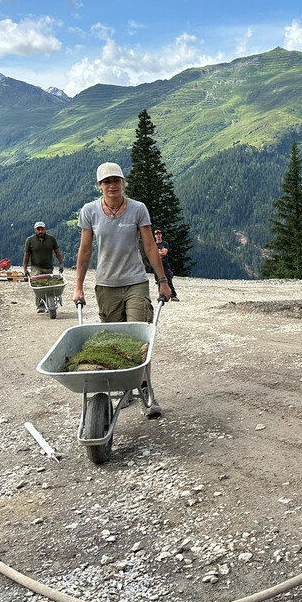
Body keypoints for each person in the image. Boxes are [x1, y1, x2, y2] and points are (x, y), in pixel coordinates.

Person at [73, 162, 172, 418]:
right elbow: (85, 251)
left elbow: (150, 246)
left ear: (123, 183)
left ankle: (145, 388)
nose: (112, 185)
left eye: (116, 180)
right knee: (115, 339)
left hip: (136, 281)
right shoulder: (90, 211)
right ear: (99, 186)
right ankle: (122, 387)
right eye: (107, 182)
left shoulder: (138, 209)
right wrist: (78, 287)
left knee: (140, 337)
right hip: (106, 285)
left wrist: (163, 281)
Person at [23, 221, 64, 312]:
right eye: (38, 229)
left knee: (48, 286)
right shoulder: (30, 241)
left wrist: (61, 263)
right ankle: (40, 305)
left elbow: (57, 252)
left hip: (48, 267)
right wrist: (25, 268)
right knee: (38, 287)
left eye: (42, 229)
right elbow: (27, 255)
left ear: (45, 229)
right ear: (35, 230)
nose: (40, 231)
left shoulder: (51, 239)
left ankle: (50, 302)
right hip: (36, 267)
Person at [153, 229, 178, 301]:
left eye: (159, 234)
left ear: (161, 235)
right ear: (155, 236)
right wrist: (159, 252)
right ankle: (161, 295)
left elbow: (164, 253)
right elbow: (153, 254)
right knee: (158, 281)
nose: (158, 236)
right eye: (157, 234)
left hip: (165, 264)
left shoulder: (165, 244)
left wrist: (157, 253)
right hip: (156, 265)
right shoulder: (154, 245)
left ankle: (173, 295)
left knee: (168, 280)